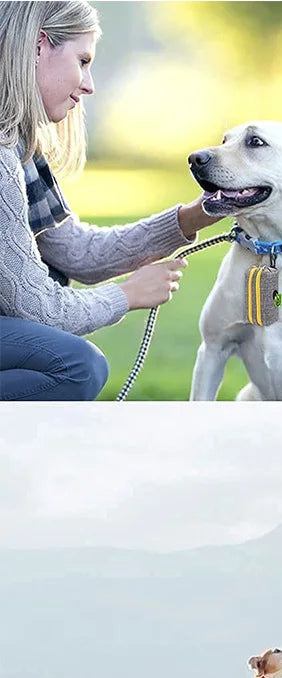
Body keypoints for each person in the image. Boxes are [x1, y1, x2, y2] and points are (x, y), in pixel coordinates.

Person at [0, 1, 219, 400]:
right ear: (38, 46)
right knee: (77, 365)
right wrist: (128, 295)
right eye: (82, 61)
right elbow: (36, 308)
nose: (89, 84)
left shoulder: (16, 145)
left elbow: (77, 253)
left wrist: (193, 217)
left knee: (76, 362)